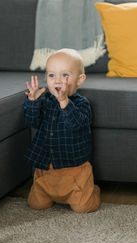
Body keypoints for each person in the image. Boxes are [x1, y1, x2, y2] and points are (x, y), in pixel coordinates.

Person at [23, 48, 101, 213]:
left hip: (74, 171)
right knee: (36, 204)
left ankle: (92, 190)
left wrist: (64, 100)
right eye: (51, 75)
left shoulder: (82, 103)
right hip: (46, 167)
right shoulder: (44, 101)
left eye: (64, 75)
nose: (57, 80)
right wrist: (32, 102)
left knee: (83, 207)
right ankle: (48, 194)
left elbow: (76, 124)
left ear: (80, 80)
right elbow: (31, 121)